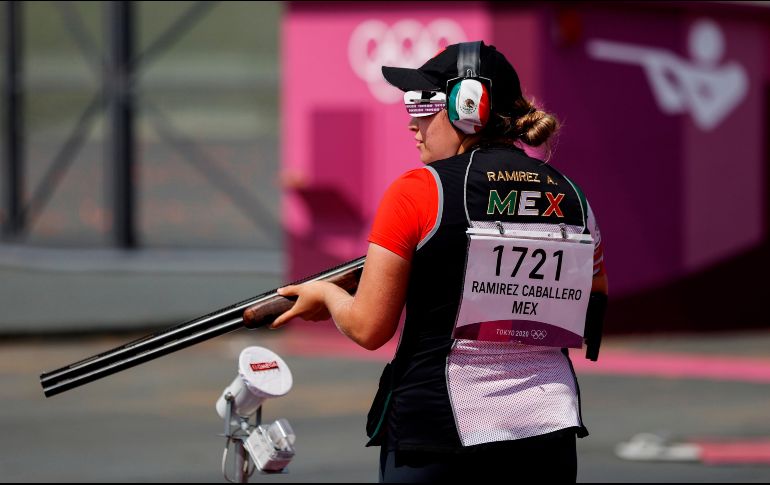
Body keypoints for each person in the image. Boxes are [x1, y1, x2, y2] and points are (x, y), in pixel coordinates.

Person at [268, 41, 608, 482]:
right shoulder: (574, 197)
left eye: (422, 104)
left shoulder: (418, 190)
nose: (412, 121)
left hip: (439, 434)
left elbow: (369, 328)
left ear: (469, 108)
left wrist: (328, 296)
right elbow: (591, 304)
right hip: (548, 431)